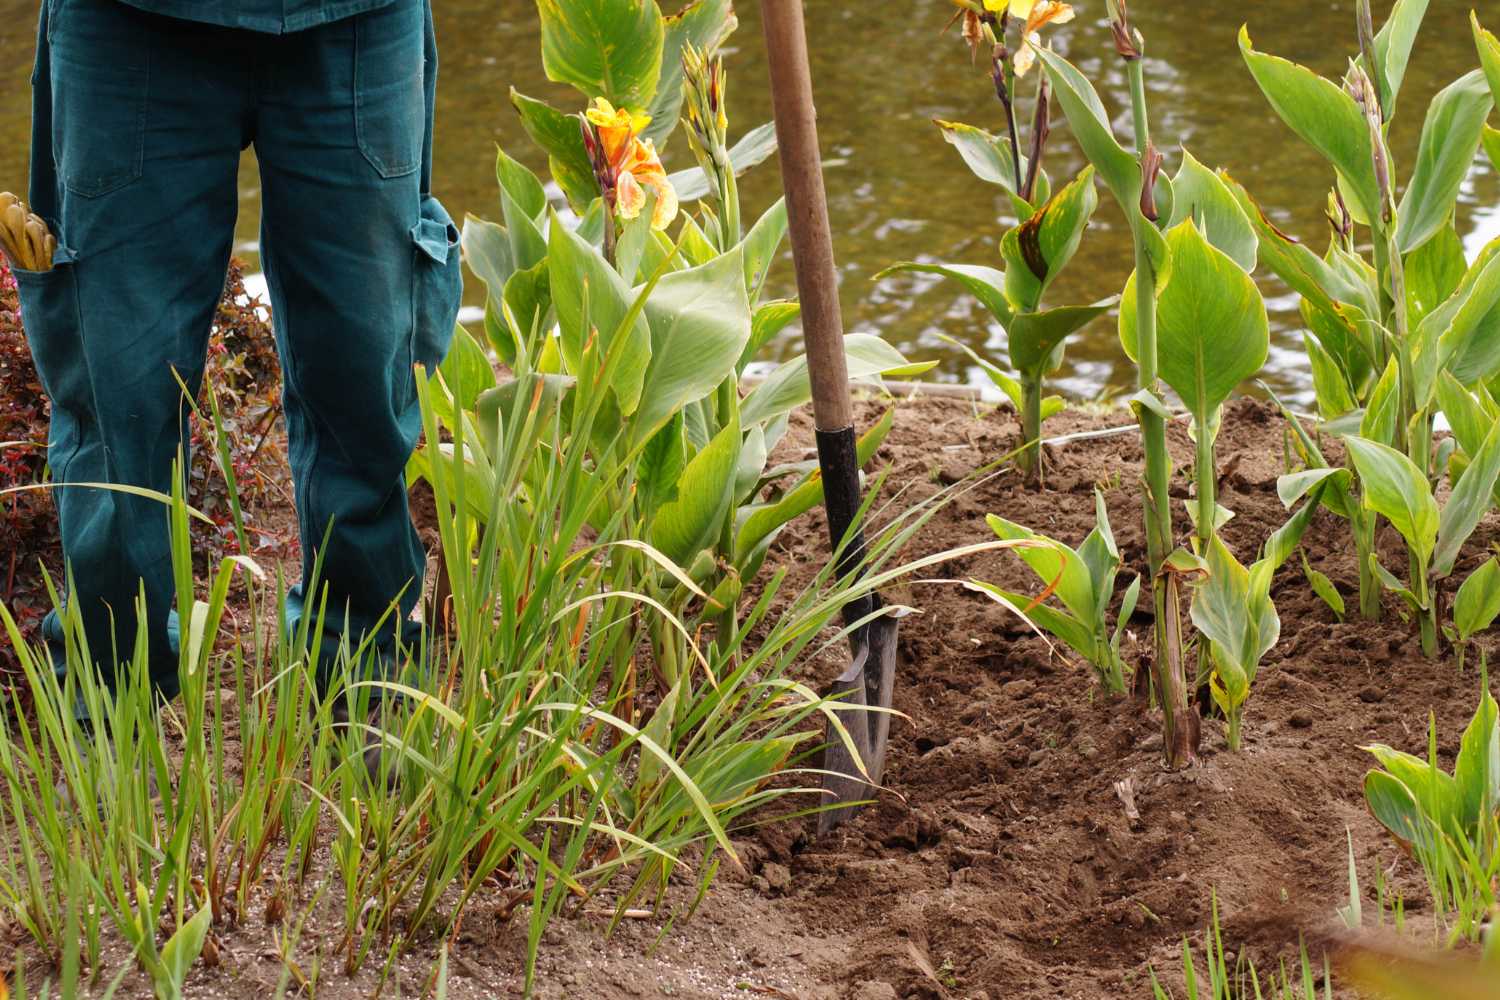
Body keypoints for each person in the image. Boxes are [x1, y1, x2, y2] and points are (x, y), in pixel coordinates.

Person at [13, 0, 461, 720]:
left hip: (355, 20)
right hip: (127, 24)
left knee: (366, 380)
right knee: (114, 391)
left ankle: (363, 677)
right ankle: (108, 698)